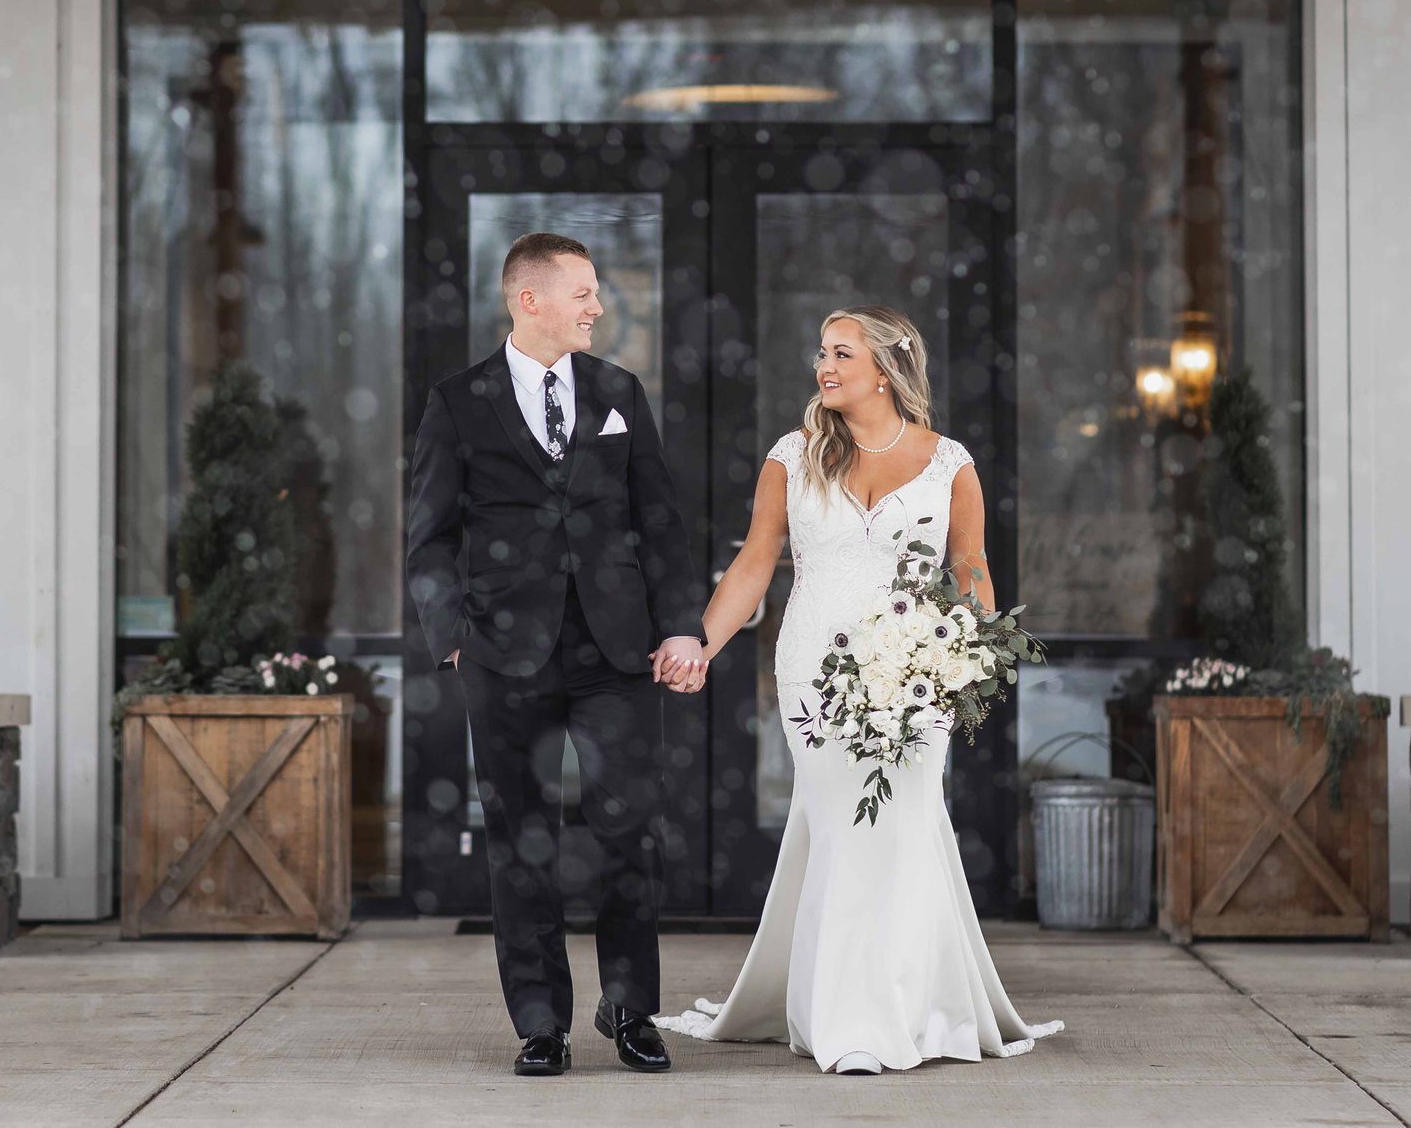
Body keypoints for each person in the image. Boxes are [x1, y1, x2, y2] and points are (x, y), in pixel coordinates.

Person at [651, 304, 1062, 1075]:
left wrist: (966, 661)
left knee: (903, 829)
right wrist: (701, 642)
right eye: (820, 352)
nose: (824, 366)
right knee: (842, 830)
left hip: (918, 673)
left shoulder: (950, 463)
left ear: (887, 366)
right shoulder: (792, 456)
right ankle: (843, 1018)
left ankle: (911, 1009)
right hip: (813, 670)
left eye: (841, 352)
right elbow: (753, 564)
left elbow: (970, 575)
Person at [404, 232, 710, 1078]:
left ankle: (632, 1009)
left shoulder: (619, 391)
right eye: (582, 293)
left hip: (615, 653)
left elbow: (661, 525)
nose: (597, 308)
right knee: (520, 843)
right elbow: (428, 539)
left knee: (628, 834)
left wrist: (682, 624)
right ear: (527, 299)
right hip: (504, 658)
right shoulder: (458, 402)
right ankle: (541, 1024)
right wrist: (453, 638)